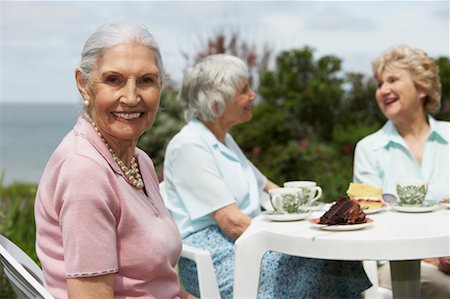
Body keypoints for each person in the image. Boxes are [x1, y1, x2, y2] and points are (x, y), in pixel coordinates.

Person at [163, 54, 372, 298]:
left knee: (333, 254)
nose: (252, 95)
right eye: (244, 90)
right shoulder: (189, 145)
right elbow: (231, 223)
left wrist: (320, 214)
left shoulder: (224, 141)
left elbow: (269, 189)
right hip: (218, 257)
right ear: (216, 101)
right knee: (323, 261)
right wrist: (295, 238)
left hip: (245, 244)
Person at [34, 22, 195, 299]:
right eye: (114, 80)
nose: (131, 97)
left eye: (146, 80)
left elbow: (152, 280)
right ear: (84, 85)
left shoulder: (138, 160)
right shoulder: (85, 171)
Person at [353, 45, 450, 298]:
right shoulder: (369, 148)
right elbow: (372, 220)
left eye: (393, 79)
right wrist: (435, 257)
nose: (383, 90)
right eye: (379, 83)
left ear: (421, 88)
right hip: (398, 263)